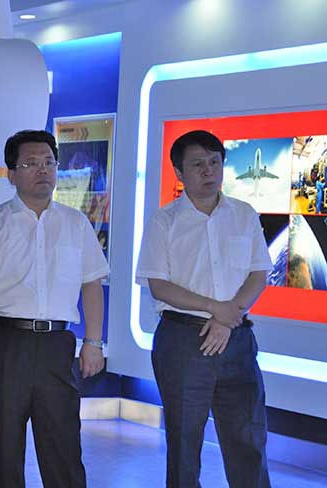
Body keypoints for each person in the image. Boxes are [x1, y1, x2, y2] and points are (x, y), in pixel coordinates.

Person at [0, 130, 108, 488]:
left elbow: (92, 283)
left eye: (49, 162)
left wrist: (93, 342)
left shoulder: (76, 223)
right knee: (5, 449)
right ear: (11, 174)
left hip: (56, 346)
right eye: (30, 164)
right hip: (4, 343)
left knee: (63, 449)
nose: (42, 170)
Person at [136, 130, 272, 488]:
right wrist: (215, 309)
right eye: (198, 164)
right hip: (183, 340)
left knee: (249, 440)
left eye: (215, 162)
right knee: (184, 444)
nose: (208, 170)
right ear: (179, 173)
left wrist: (228, 318)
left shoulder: (243, 214)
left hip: (237, 340)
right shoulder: (164, 221)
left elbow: (259, 273)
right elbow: (158, 285)